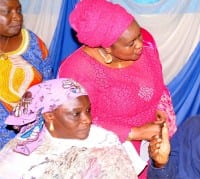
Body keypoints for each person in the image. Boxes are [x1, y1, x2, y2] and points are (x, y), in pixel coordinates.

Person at [58, 0, 177, 177]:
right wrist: (135, 133)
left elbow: (159, 86)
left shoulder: (145, 45)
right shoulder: (76, 71)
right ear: (106, 47)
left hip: (151, 145)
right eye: (130, 43)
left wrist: (160, 109)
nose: (140, 44)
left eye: (138, 35)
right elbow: (74, 122)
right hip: (108, 155)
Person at [0, 78, 137, 178]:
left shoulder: (103, 139)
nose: (88, 120)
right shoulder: (20, 154)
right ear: (49, 116)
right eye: (76, 114)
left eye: (88, 110)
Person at [0, 0, 53, 149]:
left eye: (18, 10)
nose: (17, 17)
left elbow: (49, 86)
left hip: (33, 135)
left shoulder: (34, 43)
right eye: (7, 12)